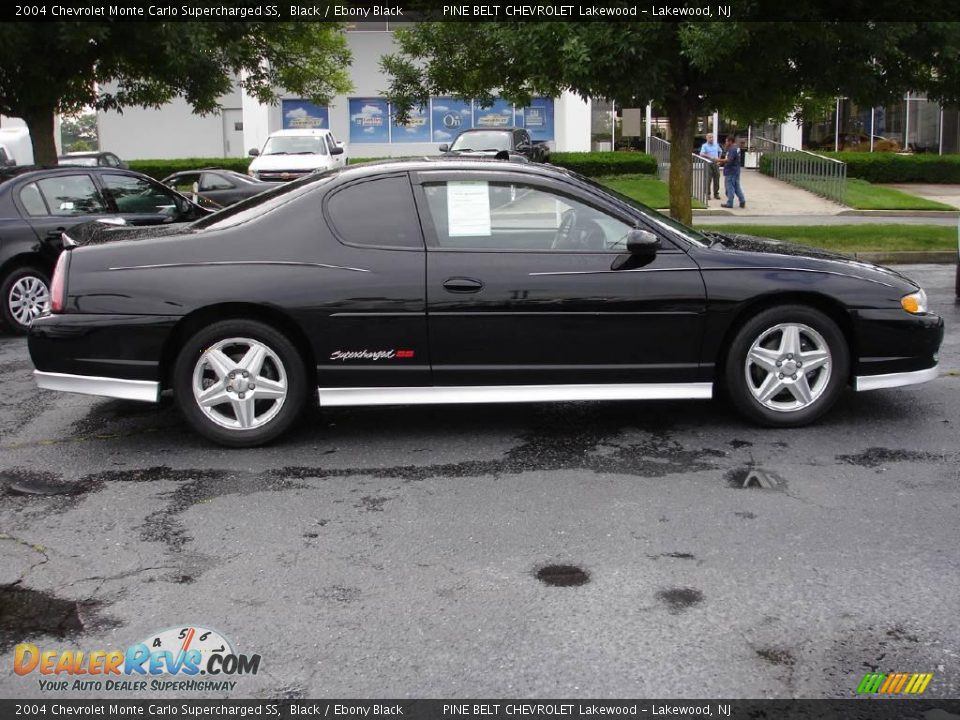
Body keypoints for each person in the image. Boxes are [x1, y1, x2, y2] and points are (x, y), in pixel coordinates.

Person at [720, 135, 746, 208]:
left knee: (729, 187)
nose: (725, 143)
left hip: (731, 171)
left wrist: (718, 160)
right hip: (736, 170)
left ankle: (730, 203)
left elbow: (729, 160)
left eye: (726, 141)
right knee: (737, 187)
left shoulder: (732, 149)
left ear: (730, 142)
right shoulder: (736, 148)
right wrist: (721, 162)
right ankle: (742, 200)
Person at [699, 133, 722, 199]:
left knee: (717, 178)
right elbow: (701, 154)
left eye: (712, 137)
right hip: (708, 163)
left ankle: (716, 194)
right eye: (710, 137)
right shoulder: (704, 146)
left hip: (715, 163)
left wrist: (719, 160)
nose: (711, 139)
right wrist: (709, 156)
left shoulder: (716, 145)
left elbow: (720, 151)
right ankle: (708, 194)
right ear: (707, 138)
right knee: (708, 179)